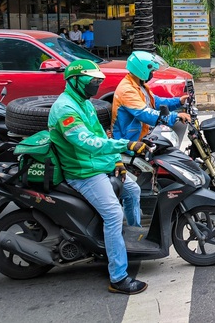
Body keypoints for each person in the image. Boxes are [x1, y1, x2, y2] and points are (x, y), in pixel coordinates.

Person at [48, 59, 148, 295]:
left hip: (98, 164)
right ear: (74, 81)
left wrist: (117, 163)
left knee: (133, 190)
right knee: (113, 214)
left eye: (97, 81)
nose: (95, 86)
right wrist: (128, 145)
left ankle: (132, 241)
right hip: (84, 172)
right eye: (91, 81)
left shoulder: (84, 103)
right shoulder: (66, 109)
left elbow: (100, 133)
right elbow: (87, 142)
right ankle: (118, 277)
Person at [111, 51, 190, 145]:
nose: (152, 74)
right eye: (151, 71)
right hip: (129, 140)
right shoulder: (127, 90)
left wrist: (179, 101)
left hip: (142, 135)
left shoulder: (139, 85)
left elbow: (155, 102)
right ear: (142, 69)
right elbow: (144, 113)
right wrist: (175, 116)